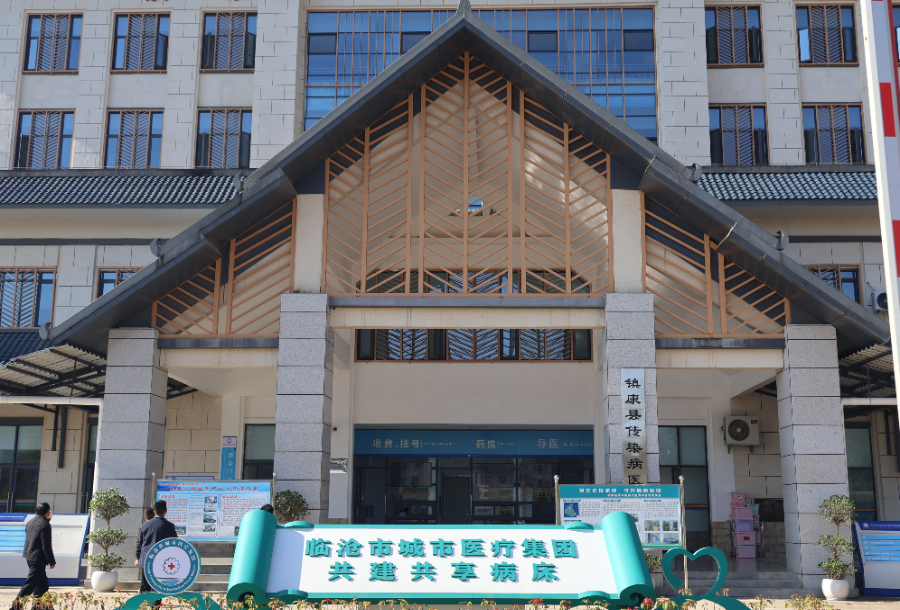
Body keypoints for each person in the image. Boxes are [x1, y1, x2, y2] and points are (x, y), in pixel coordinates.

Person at [13, 503, 55, 610]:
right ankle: (15, 607)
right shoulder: (45, 524)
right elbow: (46, 545)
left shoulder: (30, 522)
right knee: (30, 585)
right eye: (49, 511)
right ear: (47, 512)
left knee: (42, 585)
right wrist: (52, 561)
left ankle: (39, 607)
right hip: (38, 558)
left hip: (30, 556)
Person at [135, 500, 177, 595]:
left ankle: (144, 603)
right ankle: (155, 604)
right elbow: (174, 545)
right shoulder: (169, 526)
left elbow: (140, 543)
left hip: (145, 560)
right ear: (166, 511)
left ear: (154, 511)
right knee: (157, 589)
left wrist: (138, 558)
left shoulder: (145, 525)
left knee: (144, 588)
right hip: (161, 561)